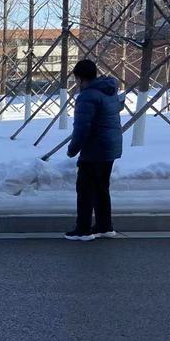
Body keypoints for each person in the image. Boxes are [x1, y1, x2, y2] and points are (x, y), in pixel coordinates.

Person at [66, 57, 123, 241]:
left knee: (85, 189)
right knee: (101, 188)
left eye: (76, 79)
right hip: (110, 146)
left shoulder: (87, 96)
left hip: (95, 148)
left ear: (80, 78)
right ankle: (104, 226)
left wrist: (73, 149)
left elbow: (82, 127)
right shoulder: (108, 91)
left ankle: (83, 230)